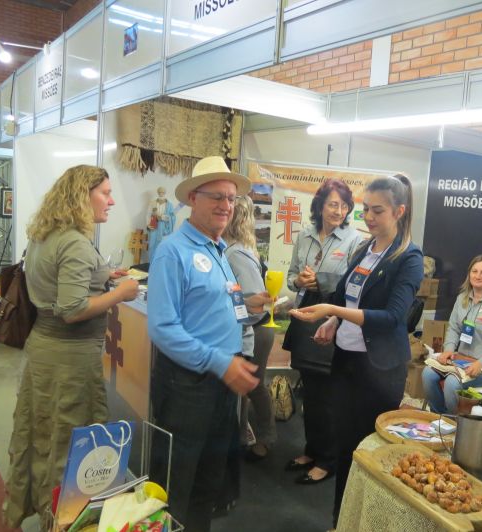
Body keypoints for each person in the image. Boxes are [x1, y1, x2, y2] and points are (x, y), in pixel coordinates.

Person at [2, 166, 139, 530]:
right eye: (105, 193)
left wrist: (104, 276)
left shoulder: (47, 235)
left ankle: (33, 507)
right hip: (69, 358)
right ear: (82, 195)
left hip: (44, 352)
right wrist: (120, 293)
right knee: (66, 438)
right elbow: (72, 309)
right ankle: (59, 521)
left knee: (41, 432)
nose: (111, 201)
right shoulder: (76, 243)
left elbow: (59, 286)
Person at [291, 174, 423, 526]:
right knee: (345, 445)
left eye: (378, 211)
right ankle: (341, 520)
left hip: (378, 370)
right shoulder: (365, 249)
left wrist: (332, 311)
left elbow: (392, 318)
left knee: (368, 454)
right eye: (366, 210)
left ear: (399, 211)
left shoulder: (409, 258)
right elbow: (346, 297)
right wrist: (333, 321)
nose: (369, 217)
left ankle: (364, 522)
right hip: (346, 360)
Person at [147, 156, 271, 532]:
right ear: (192, 199)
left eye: (231, 198)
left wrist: (247, 306)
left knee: (208, 481)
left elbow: (219, 306)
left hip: (220, 383)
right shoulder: (173, 251)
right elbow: (163, 328)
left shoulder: (218, 250)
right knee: (174, 484)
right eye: (216, 196)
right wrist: (221, 362)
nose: (225, 206)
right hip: (187, 385)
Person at [283, 178, 363, 485]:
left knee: (328, 395)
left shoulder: (354, 240)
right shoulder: (304, 235)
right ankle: (312, 450)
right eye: (332, 204)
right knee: (310, 392)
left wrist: (321, 281)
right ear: (320, 206)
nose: (338, 211)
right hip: (304, 314)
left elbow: (352, 285)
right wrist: (298, 282)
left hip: (332, 317)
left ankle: (328, 460)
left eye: (344, 206)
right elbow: (291, 275)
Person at [215, 195, 275, 513]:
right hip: (251, 329)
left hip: (255, 331)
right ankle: (252, 436)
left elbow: (254, 303)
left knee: (254, 386)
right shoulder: (233, 249)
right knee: (250, 387)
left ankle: (264, 438)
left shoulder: (236, 253)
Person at [421, 254, 482, 414]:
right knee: (427, 374)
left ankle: (454, 421)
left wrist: (481, 363)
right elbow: (454, 328)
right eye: (474, 271)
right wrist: (449, 350)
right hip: (459, 361)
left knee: (451, 383)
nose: (478, 276)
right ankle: (440, 416)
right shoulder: (461, 298)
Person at [145, 186, 175, 261]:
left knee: (162, 246)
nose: (161, 193)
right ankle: (152, 263)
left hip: (164, 229)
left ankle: (161, 263)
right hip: (154, 228)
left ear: (165, 193)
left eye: (162, 192)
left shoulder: (169, 205)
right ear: (157, 192)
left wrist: (162, 217)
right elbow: (148, 214)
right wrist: (148, 224)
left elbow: (172, 217)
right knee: (152, 245)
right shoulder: (152, 203)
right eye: (159, 192)